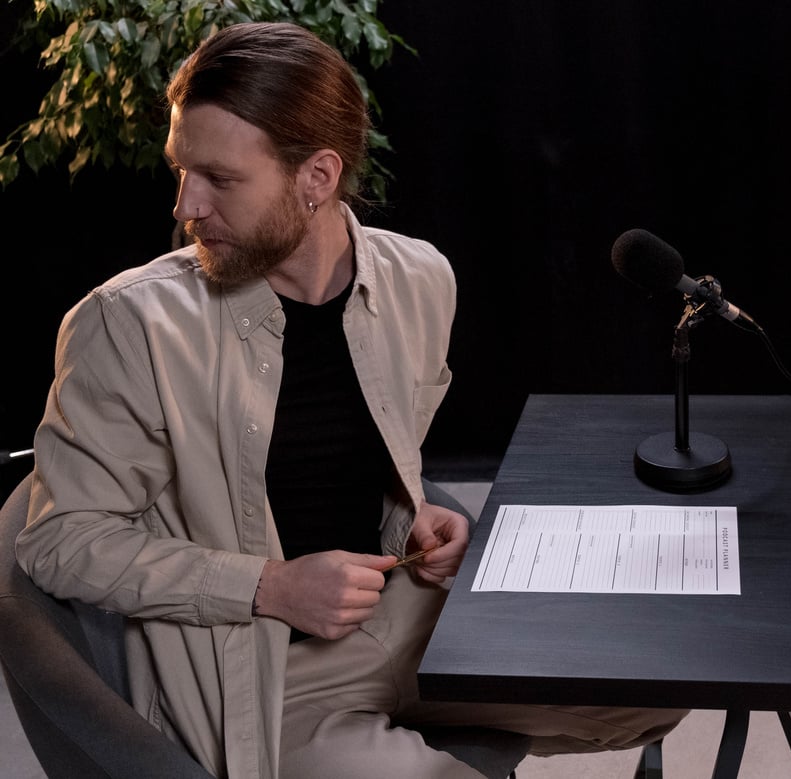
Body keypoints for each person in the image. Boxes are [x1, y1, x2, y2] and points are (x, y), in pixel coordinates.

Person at [15, 21, 686, 779]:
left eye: (219, 178)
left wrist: (416, 521)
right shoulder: (126, 323)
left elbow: (384, 463)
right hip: (265, 673)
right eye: (182, 170)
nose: (186, 206)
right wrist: (274, 586)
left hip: (404, 617)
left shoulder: (421, 280)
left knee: (656, 684)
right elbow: (57, 541)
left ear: (318, 177)